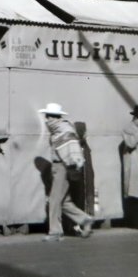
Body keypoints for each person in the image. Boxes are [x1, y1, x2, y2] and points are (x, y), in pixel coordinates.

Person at [39, 102, 94, 242]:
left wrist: (71, 163)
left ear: (53, 117)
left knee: (54, 200)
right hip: (59, 168)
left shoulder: (62, 129)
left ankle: (55, 232)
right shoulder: (58, 129)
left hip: (63, 167)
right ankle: (84, 219)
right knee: (64, 201)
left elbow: (70, 149)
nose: (46, 120)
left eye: (47, 117)